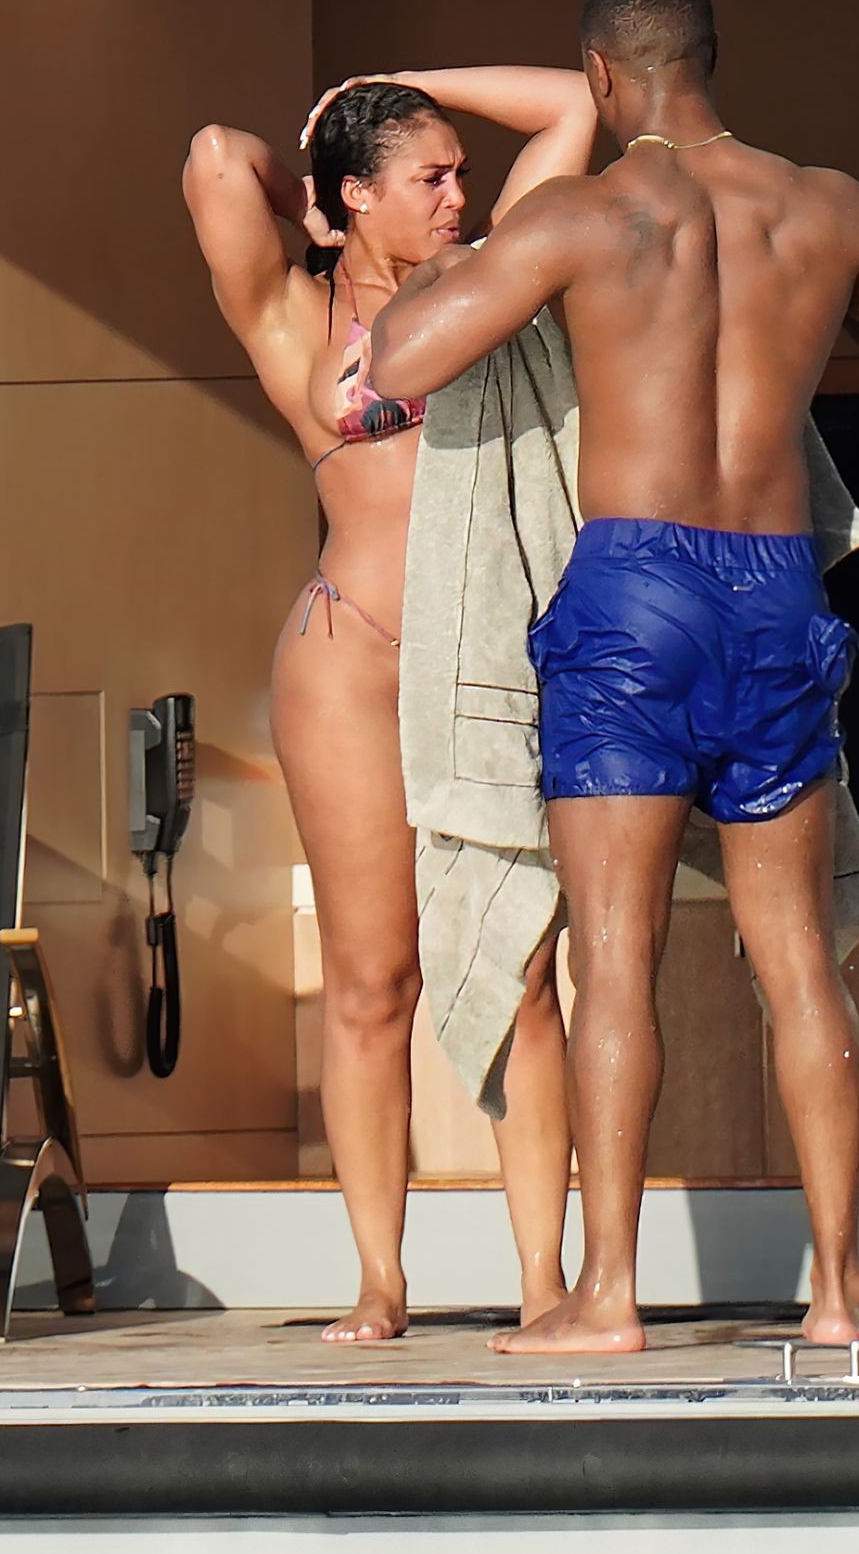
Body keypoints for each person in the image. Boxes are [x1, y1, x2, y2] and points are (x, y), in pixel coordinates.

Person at [370, 0, 859, 1355]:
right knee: (798, 958)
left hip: (634, 592)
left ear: (600, 76)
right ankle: (838, 1296)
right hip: (772, 587)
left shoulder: (585, 216)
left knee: (615, 958)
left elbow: (400, 363)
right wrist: (818, 309)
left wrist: (461, 265)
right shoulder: (825, 207)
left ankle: (609, 1297)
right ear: (711, 57)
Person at [182, 66, 597, 1341]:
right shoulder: (294, 315)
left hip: (489, 666)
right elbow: (214, 155)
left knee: (523, 971)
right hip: (351, 662)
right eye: (430, 177)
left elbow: (573, 111)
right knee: (373, 982)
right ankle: (379, 1281)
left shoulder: (498, 279)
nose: (459, 195)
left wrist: (410, 82)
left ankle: (544, 1282)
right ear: (356, 195)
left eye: (463, 173)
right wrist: (309, 189)